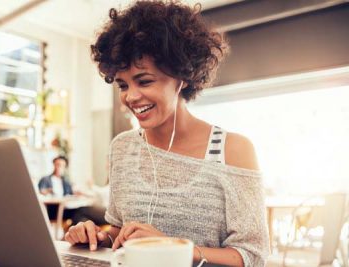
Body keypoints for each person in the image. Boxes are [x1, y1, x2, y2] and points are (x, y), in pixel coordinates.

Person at [65, 1, 269, 266]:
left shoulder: (233, 150)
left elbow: (252, 256)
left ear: (182, 76)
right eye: (123, 85)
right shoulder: (122, 147)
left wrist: (173, 248)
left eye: (145, 81)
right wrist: (97, 237)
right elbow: (120, 233)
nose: (131, 96)